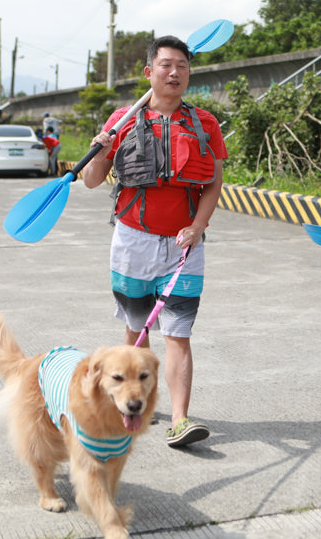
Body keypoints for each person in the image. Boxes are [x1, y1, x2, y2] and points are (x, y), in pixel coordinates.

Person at [83, 35, 227, 448]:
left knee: (178, 332)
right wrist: (99, 150)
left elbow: (214, 183)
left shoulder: (205, 123)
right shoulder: (122, 120)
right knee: (135, 330)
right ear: (149, 72)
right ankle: (129, 405)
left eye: (182, 66)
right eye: (166, 65)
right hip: (132, 242)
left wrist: (198, 227)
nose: (174, 73)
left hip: (184, 246)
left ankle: (180, 420)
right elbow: (92, 182)